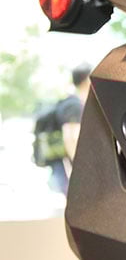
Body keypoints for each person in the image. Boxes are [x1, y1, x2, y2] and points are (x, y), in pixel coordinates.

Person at [35, 63, 91, 196]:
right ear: (87, 79)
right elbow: (71, 138)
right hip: (64, 164)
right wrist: (79, 168)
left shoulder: (70, 101)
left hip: (59, 162)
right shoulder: (75, 105)